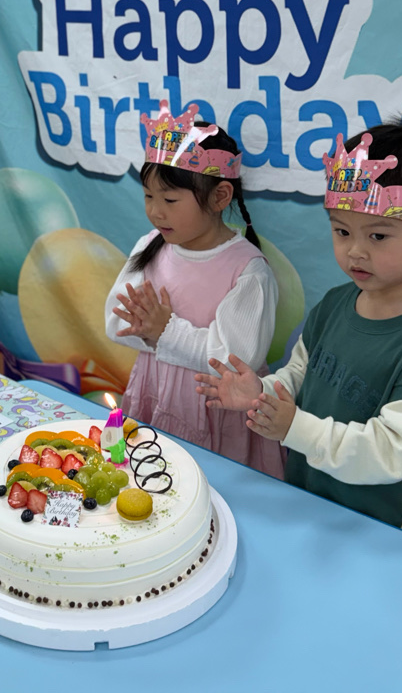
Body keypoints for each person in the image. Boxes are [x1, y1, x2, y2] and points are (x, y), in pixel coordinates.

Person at [195, 119, 402, 534]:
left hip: (380, 533)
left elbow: (389, 452)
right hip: (307, 503)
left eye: (378, 236)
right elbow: (301, 373)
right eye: (341, 231)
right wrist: (262, 392)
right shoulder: (336, 302)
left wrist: (294, 428)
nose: (355, 251)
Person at [104, 100, 284, 478]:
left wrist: (163, 331)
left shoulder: (248, 270)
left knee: (215, 492)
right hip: (157, 396)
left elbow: (234, 362)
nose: (155, 211)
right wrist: (153, 332)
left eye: (169, 199)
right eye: (149, 196)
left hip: (218, 410)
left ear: (220, 197)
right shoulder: (150, 246)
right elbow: (115, 322)